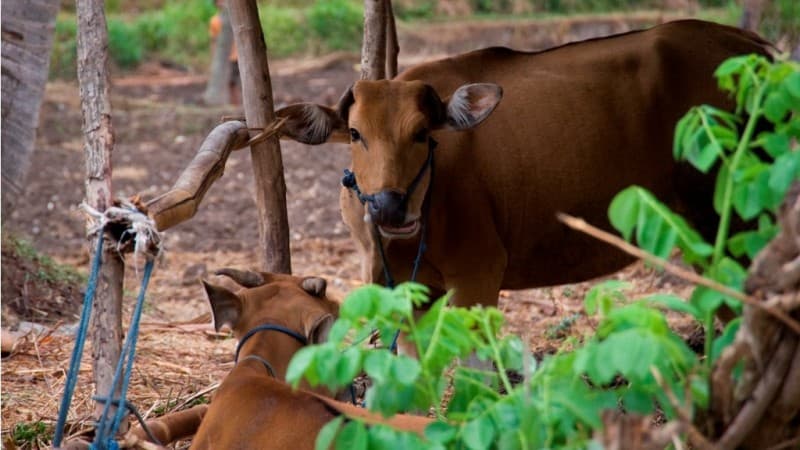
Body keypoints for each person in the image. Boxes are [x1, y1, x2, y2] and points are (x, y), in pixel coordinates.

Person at [208, 1, 240, 105]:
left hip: (238, 56)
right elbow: (213, 41)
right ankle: (234, 104)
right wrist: (213, 57)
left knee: (238, 82)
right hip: (227, 58)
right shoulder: (215, 21)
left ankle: (238, 104)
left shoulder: (236, 18)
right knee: (231, 83)